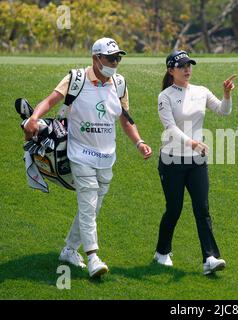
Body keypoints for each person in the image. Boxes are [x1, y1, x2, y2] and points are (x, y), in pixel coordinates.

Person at [23, 37, 153, 278]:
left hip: (107, 157)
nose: (115, 63)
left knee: (92, 209)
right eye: (111, 58)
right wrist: (34, 118)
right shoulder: (76, 79)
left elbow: (125, 118)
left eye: (118, 58)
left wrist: (139, 142)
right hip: (79, 154)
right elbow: (51, 100)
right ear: (96, 58)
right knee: (87, 204)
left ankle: (70, 250)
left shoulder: (120, 83)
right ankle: (93, 257)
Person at [154, 50, 236, 275]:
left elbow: (223, 111)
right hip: (172, 162)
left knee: (203, 209)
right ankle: (162, 252)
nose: (187, 69)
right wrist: (192, 143)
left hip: (196, 162)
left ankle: (210, 258)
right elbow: (170, 129)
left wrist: (227, 95)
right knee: (174, 209)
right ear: (171, 71)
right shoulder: (166, 96)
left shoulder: (201, 91)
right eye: (182, 66)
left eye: (189, 65)